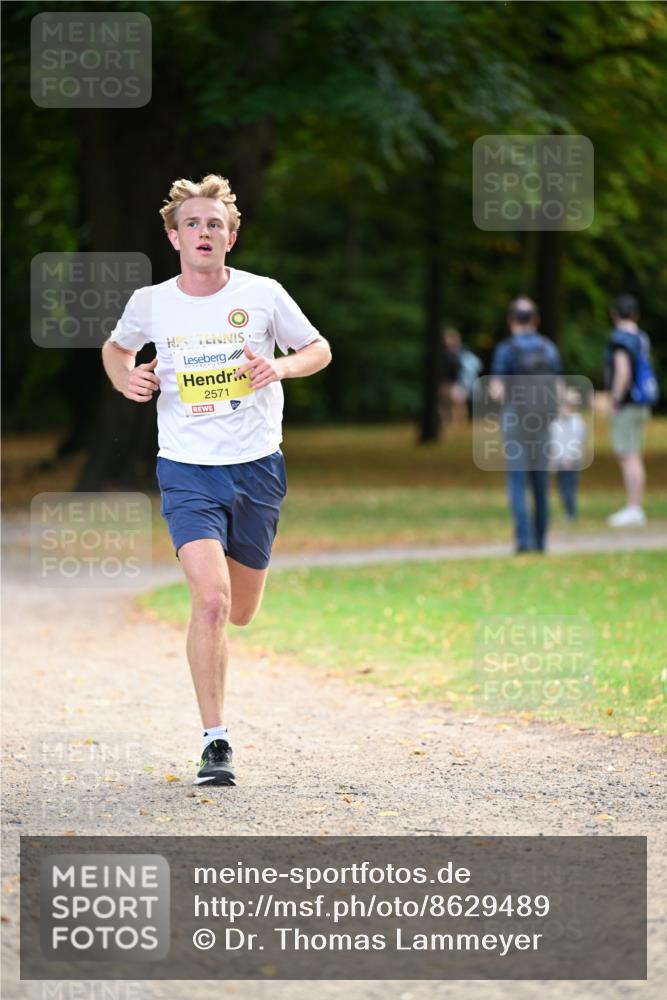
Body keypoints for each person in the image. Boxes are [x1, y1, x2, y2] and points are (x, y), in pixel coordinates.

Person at [101, 174, 332, 786]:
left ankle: (223, 651)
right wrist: (126, 377)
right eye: (193, 224)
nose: (204, 233)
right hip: (186, 469)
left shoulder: (263, 294)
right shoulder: (151, 302)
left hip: (257, 467)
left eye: (215, 224)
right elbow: (117, 349)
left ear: (231, 237)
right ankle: (216, 741)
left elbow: (319, 349)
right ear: (174, 237)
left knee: (241, 611)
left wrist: (279, 368)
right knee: (211, 600)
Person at [489, 297, 563, 554]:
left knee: (517, 481)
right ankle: (541, 541)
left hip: (516, 418)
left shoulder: (506, 349)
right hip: (542, 419)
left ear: (510, 321)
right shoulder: (548, 348)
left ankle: (524, 541)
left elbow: (496, 390)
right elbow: (558, 387)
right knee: (541, 481)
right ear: (536, 320)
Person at [604, 294, 655, 527]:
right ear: (636, 315)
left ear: (614, 314)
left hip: (627, 404)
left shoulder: (620, 339)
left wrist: (614, 399)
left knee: (628, 456)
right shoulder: (641, 337)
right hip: (642, 402)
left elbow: (623, 371)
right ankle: (636, 506)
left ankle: (634, 507)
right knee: (634, 454)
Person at [549, 388, 587, 521]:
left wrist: (570, 457)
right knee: (562, 488)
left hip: (572, 461)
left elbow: (577, 441)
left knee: (569, 488)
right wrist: (552, 459)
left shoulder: (577, 423)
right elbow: (553, 442)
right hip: (559, 461)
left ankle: (571, 513)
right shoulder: (555, 422)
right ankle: (568, 511)